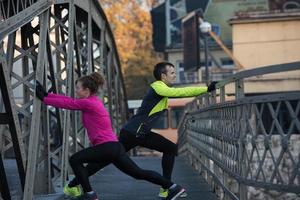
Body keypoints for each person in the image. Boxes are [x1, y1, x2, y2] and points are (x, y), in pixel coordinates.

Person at [35, 72, 185, 200]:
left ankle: (90, 194)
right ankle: (172, 187)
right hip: (114, 147)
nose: (75, 91)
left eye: (77, 88)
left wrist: (45, 99)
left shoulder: (89, 104)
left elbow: (69, 104)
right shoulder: (92, 101)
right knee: (138, 173)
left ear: (86, 90)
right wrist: (47, 95)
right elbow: (69, 100)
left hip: (106, 147)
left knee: (75, 160)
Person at [118, 62, 217, 198]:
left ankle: (166, 189)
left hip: (140, 133)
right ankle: (80, 182)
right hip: (133, 133)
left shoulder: (161, 88)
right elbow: (180, 92)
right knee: (107, 157)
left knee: (170, 148)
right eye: (172, 73)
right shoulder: (158, 87)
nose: (175, 75)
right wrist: (206, 89)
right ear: (163, 76)